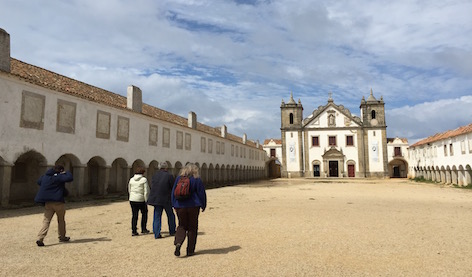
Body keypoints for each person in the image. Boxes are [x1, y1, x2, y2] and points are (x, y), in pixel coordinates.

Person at [172, 163, 207, 257]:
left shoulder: (179, 179)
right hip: (193, 205)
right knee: (192, 227)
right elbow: (201, 193)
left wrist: (174, 204)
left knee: (181, 225)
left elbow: (173, 192)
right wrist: (203, 205)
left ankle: (178, 243)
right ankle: (190, 250)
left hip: (180, 206)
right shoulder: (197, 179)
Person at [34, 164, 73, 247]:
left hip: (48, 202)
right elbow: (69, 178)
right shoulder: (58, 177)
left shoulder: (45, 177)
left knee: (46, 220)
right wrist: (67, 172)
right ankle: (62, 236)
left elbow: (39, 182)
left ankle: (40, 238)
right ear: (61, 170)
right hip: (58, 202)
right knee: (61, 220)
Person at [147, 162, 176, 239]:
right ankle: (172, 231)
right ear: (166, 167)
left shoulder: (155, 175)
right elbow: (173, 187)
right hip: (166, 198)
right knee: (170, 215)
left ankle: (156, 233)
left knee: (157, 216)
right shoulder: (169, 175)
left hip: (156, 199)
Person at [128, 166, 150, 236]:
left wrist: (131, 196)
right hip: (141, 199)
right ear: (143, 173)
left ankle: (134, 230)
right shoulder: (144, 180)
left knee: (134, 215)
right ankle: (143, 229)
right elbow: (146, 191)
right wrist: (146, 200)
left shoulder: (131, 179)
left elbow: (129, 189)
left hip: (132, 199)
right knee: (144, 214)